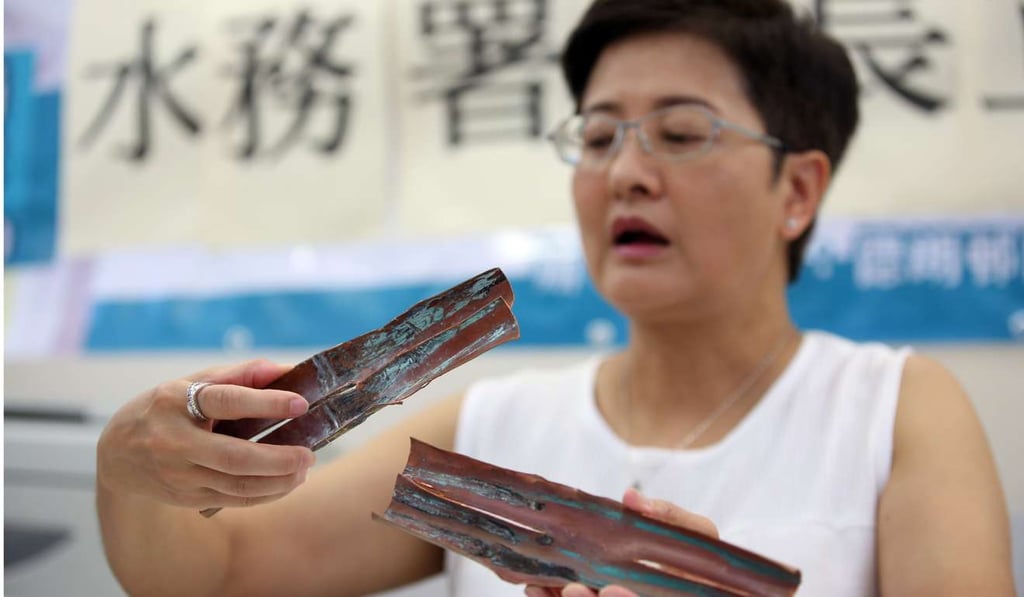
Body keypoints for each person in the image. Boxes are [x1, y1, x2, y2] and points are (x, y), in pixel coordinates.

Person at [95, 0, 1016, 595]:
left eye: (681, 132)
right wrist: (131, 471)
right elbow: (218, 575)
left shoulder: (894, 409)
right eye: (600, 134)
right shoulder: (489, 423)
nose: (625, 173)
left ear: (799, 190)